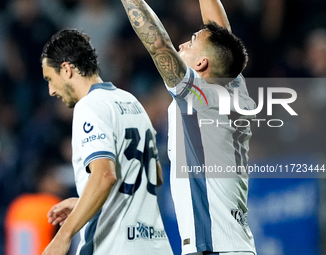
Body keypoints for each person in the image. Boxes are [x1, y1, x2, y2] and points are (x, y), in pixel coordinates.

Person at [120, 0, 257, 254]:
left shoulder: (200, 97)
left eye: (191, 42)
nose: (182, 44)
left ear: (201, 64)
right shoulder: (234, 87)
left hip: (212, 247)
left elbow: (159, 44)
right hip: (233, 245)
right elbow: (222, 37)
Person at [40, 29, 173, 255]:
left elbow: (104, 175)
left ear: (66, 69)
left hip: (113, 246)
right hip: (155, 245)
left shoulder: (89, 106)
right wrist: (85, 202)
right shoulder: (131, 101)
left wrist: (63, 237)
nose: (51, 90)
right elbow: (155, 174)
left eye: (50, 79)